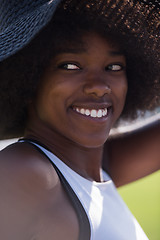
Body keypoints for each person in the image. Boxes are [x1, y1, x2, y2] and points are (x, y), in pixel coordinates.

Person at [0, 0, 159, 239]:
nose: (99, 87)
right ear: (29, 80)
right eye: (71, 66)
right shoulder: (22, 173)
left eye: (114, 67)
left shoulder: (94, 169)